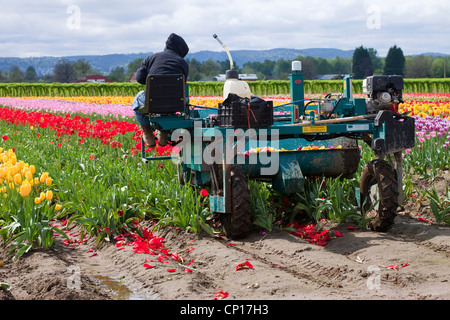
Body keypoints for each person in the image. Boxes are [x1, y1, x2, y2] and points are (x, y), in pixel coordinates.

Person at [132, 33, 189, 147]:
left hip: (153, 101)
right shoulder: (183, 63)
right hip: (176, 103)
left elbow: (139, 78)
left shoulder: (151, 58)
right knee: (172, 99)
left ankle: (147, 132)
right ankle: (164, 131)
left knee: (138, 99)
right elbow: (182, 84)